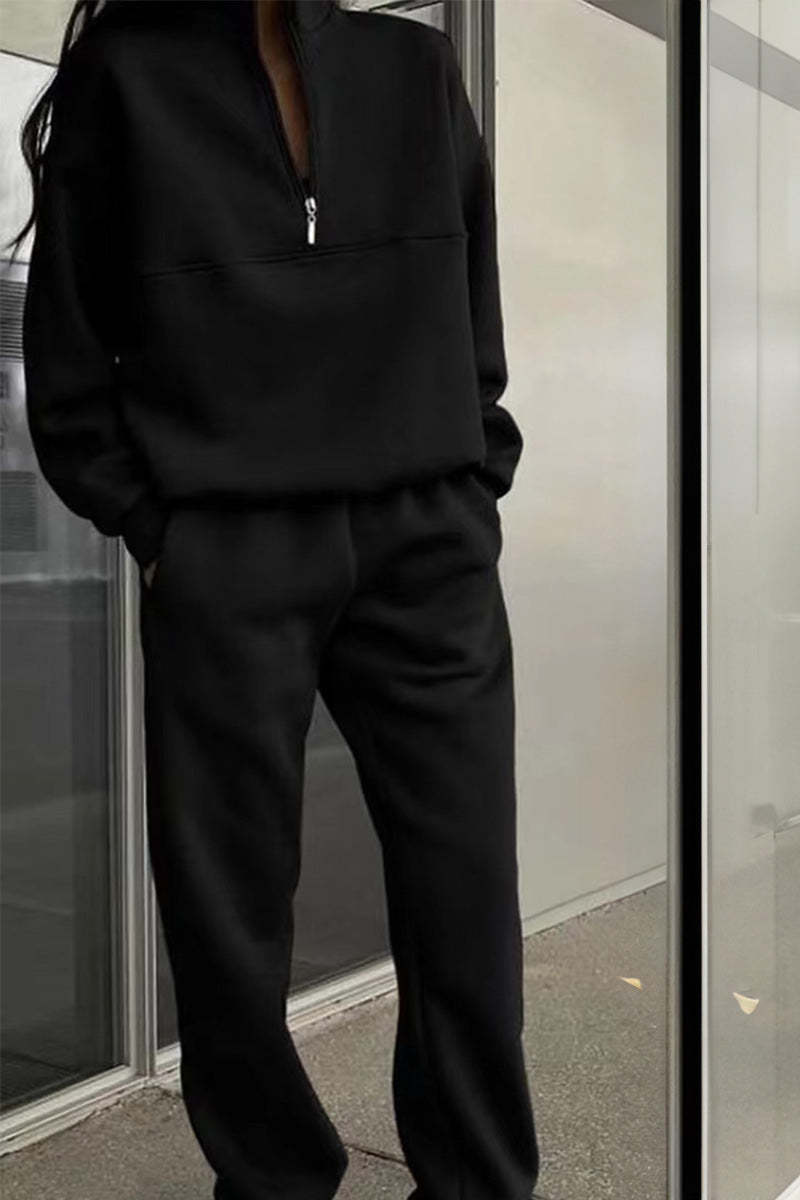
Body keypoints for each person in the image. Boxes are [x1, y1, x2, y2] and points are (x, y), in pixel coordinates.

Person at [11, 1, 541, 1198]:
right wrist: (160, 530)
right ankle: (272, 1181)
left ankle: (479, 1182)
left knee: (463, 891)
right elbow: (71, 342)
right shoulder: (127, 77)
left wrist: (471, 475)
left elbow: (471, 296)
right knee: (227, 914)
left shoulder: (414, 63)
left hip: (425, 541)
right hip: (227, 549)